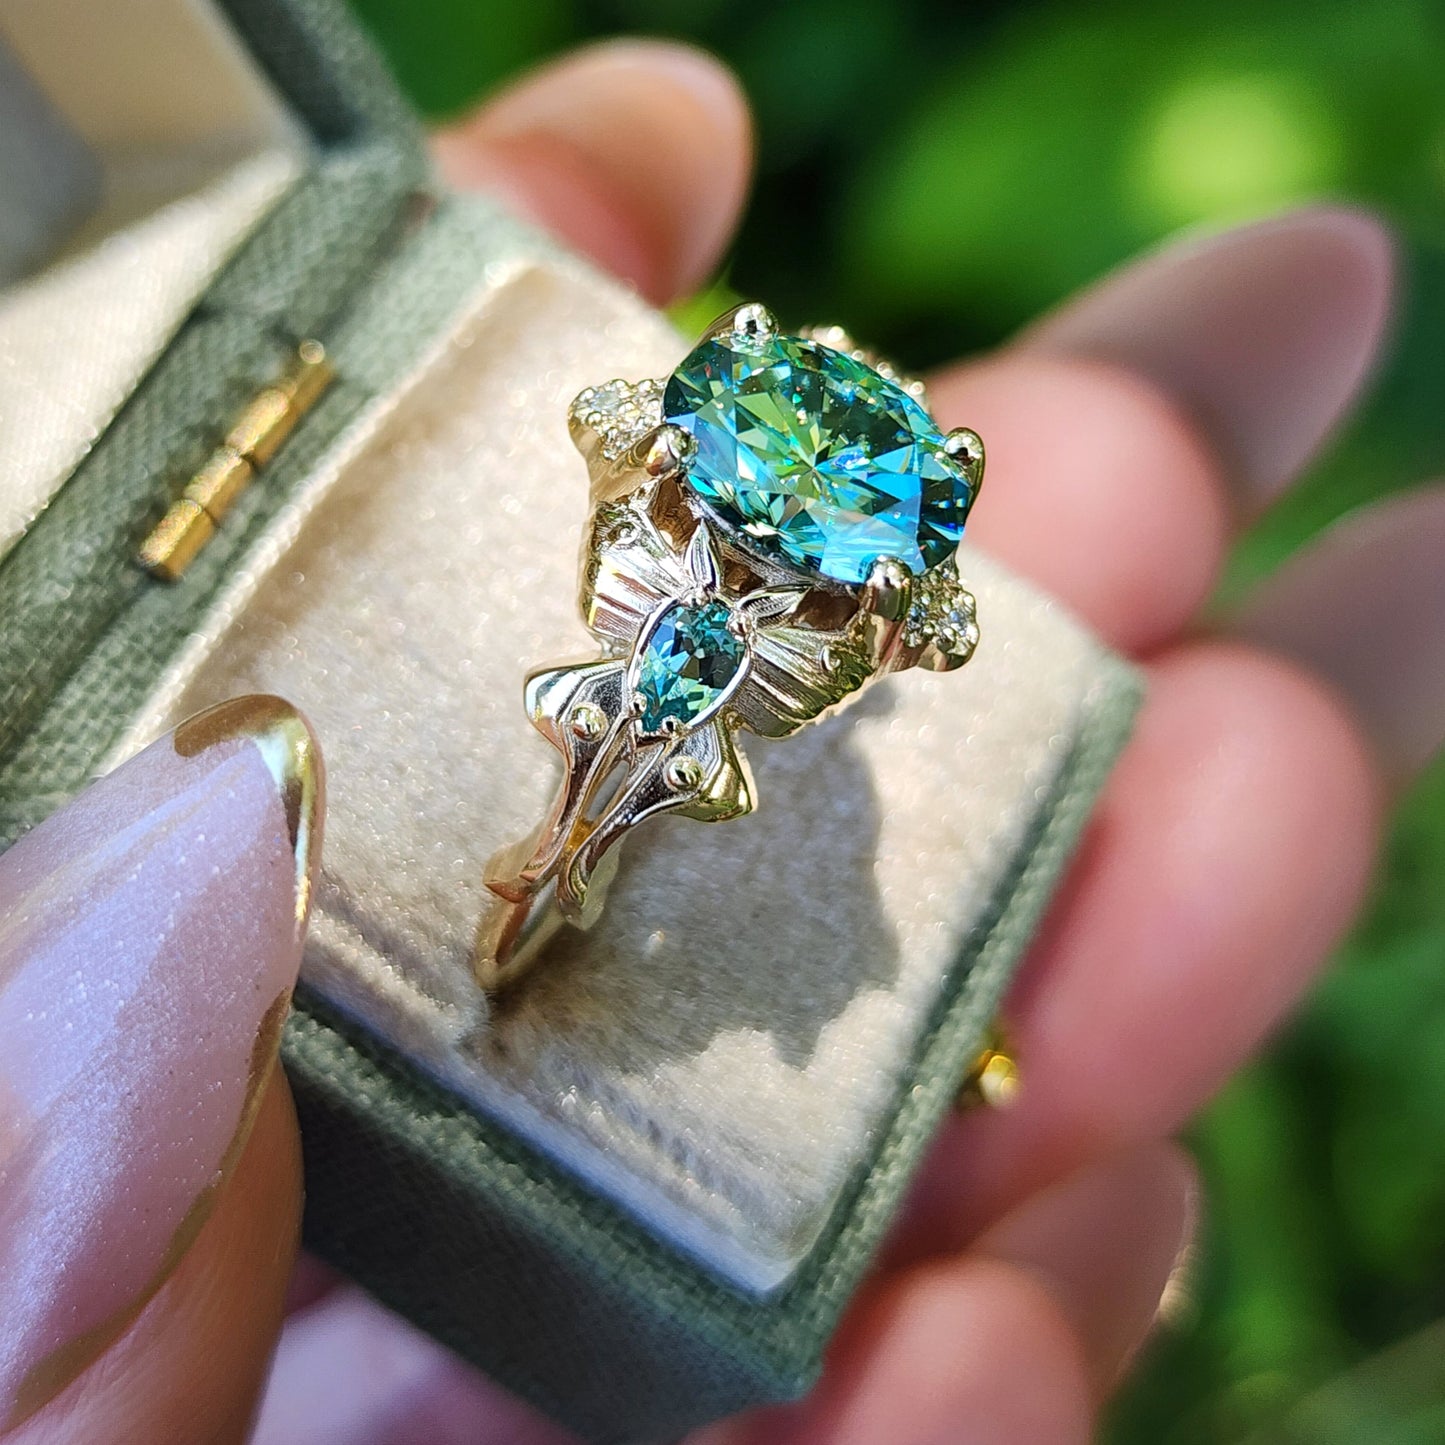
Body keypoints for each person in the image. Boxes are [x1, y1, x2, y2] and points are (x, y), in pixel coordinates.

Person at [1, 39, 1439, 1445]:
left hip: (721, 631)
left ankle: (569, 858)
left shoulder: (812, 560)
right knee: (607, 782)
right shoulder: (689, 476)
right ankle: (565, 861)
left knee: (625, 779)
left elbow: (879, 609)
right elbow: (632, 441)